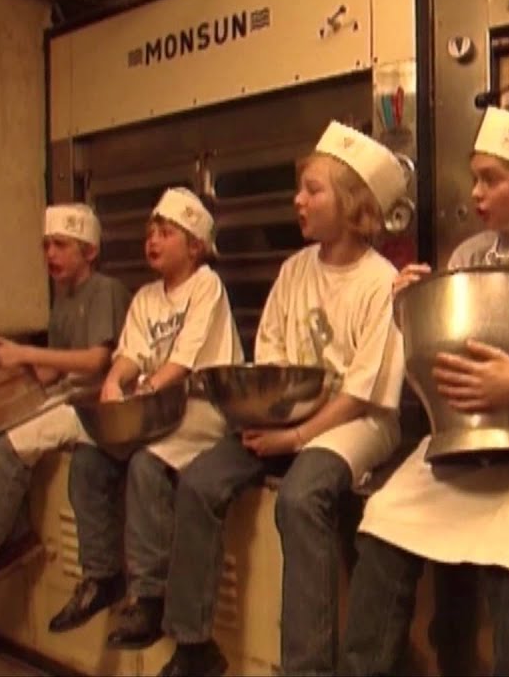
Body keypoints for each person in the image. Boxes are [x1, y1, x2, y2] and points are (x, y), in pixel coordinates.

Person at [338, 107, 509, 676]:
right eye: (475, 177)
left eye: (492, 179)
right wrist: (409, 308)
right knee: (383, 526)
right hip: (459, 442)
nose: (477, 193)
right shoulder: (466, 258)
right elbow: (439, 354)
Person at [154, 122, 409, 677]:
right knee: (200, 481)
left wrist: (293, 438)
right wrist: (260, 419)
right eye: (301, 189)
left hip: (356, 420)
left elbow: (366, 392)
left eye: (313, 190)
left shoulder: (379, 281)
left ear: (351, 202)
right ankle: (193, 645)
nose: (298, 200)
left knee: (300, 497)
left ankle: (307, 668)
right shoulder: (294, 271)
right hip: (287, 413)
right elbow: (269, 356)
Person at [46, 187, 244, 644]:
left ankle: (150, 596)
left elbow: (185, 361)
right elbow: (130, 353)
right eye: (150, 232)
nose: (152, 241)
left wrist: (145, 391)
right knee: (89, 459)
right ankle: (101, 575)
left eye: (166, 232)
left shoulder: (206, 286)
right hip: (153, 410)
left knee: (145, 464)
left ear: (194, 245)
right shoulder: (146, 297)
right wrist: (116, 382)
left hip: (200, 411)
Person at [0, 203, 131, 597]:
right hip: (66, 395)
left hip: (94, 405)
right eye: (46, 245)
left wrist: (27, 355)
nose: (51, 254)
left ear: (90, 251)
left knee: (10, 447)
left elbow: (97, 361)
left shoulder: (106, 290)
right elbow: (52, 371)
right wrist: (5, 364)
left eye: (61, 245)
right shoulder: (63, 300)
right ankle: (12, 538)